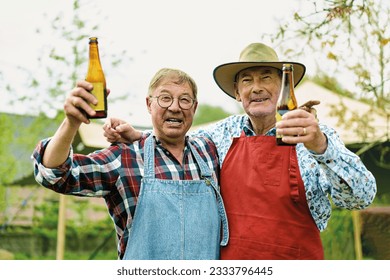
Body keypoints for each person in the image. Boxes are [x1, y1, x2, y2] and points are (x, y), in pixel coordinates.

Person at [103, 43, 377, 260]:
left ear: (283, 87)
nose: (256, 87)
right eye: (247, 80)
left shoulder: (315, 134)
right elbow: (176, 142)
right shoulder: (217, 136)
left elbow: (360, 197)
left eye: (266, 77)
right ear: (237, 92)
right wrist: (141, 136)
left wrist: (320, 146)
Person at [32, 68, 229, 260]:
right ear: (149, 104)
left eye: (184, 100)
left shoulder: (209, 151)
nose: (175, 107)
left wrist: (140, 135)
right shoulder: (125, 157)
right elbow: (55, 175)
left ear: (194, 107)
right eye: (165, 98)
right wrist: (71, 122)